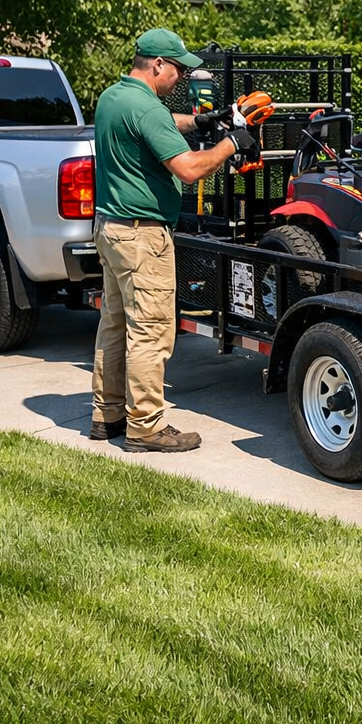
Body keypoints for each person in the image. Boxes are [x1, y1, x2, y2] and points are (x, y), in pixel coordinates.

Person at [88, 28, 256, 453]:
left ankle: (107, 415)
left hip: (111, 230)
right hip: (143, 238)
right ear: (157, 64)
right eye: (178, 69)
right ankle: (145, 427)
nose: (181, 77)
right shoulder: (147, 109)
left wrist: (203, 120)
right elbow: (190, 169)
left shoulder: (113, 97)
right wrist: (230, 142)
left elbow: (158, 122)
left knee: (114, 325)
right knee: (150, 332)